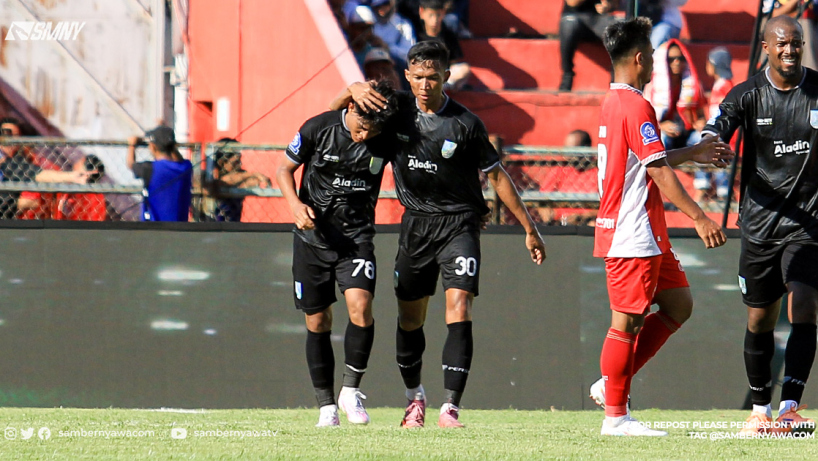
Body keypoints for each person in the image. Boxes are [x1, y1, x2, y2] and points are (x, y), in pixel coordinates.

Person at [332, 40, 546, 428]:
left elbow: (497, 176)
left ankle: (451, 406)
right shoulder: (394, 111)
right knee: (410, 318)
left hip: (459, 223)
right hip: (416, 225)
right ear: (408, 76)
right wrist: (351, 89)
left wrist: (529, 229)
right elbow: (335, 120)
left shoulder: (465, 124)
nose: (425, 85)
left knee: (459, 305)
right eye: (418, 77)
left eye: (433, 77)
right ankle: (415, 398)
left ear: (446, 76)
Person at [590, 17, 731, 436]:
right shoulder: (635, 105)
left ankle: (610, 383)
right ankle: (615, 418)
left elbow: (647, 160)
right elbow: (657, 172)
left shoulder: (617, 102)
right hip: (631, 231)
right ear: (638, 58)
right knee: (626, 323)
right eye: (650, 54)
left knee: (678, 305)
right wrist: (700, 216)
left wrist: (695, 151)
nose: (653, 61)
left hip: (645, 232)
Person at [703, 15, 818, 435]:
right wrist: (709, 144)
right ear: (767, 47)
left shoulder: (817, 90)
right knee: (759, 321)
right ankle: (760, 409)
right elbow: (718, 125)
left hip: (808, 222)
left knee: (805, 302)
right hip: (759, 224)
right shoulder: (748, 94)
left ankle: (790, 405)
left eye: (797, 44)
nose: (790, 50)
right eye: (783, 44)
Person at [277, 80, 398, 427]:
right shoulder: (319, 127)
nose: (363, 137)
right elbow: (282, 169)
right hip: (313, 238)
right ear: (349, 111)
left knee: (361, 307)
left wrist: (358, 88)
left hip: (356, 238)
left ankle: (351, 391)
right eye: (360, 128)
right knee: (318, 321)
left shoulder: (383, 137)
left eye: (370, 131)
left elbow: (412, 100)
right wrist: (294, 204)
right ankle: (326, 406)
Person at [0, 117, 92, 219]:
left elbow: (38, 175)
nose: (9, 140)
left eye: (15, 136)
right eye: (5, 134)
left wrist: (72, 176)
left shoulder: (16, 164)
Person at [644, 39, 707, 151]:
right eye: (671, 59)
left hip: (688, 133)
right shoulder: (651, 87)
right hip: (664, 132)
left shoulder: (694, 84)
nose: (677, 62)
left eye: (681, 59)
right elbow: (644, 121)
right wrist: (661, 127)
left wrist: (701, 123)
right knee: (659, 139)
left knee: (704, 140)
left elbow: (701, 113)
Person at [693, 46, 734, 205]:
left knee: (698, 141)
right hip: (720, 134)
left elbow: (721, 116)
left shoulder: (723, 86)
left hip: (725, 136)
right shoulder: (722, 84)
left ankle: (705, 186)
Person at [127, 125, 193, 222]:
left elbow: (131, 164)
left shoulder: (151, 168)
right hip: (179, 225)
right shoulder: (186, 167)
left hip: (154, 226)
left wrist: (131, 145)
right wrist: (170, 143)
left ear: (153, 147)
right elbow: (178, 158)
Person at [558, 0, 620, 92]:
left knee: (619, 29)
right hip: (575, 18)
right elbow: (572, 2)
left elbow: (615, 4)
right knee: (568, 24)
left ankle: (615, 83)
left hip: (598, 20)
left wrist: (607, 6)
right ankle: (567, 75)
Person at [413, 0, 471, 91]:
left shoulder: (448, 35)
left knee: (464, 69)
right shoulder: (416, 34)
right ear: (422, 13)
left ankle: (442, 85)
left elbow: (454, 61)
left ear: (443, 13)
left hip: (443, 73)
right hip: (424, 71)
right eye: (431, 15)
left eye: (438, 15)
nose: (435, 20)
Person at [210, 138, 272, 222]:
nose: (239, 165)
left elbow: (257, 182)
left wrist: (243, 182)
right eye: (235, 162)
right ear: (223, 162)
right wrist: (253, 174)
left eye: (239, 160)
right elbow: (224, 182)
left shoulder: (242, 174)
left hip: (234, 223)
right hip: (212, 223)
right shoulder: (212, 175)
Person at [370, 0, 416, 71]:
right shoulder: (370, 24)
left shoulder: (403, 25)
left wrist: (388, 48)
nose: (382, 9)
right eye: (377, 6)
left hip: (396, 66)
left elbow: (409, 53)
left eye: (385, 4)